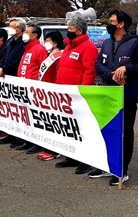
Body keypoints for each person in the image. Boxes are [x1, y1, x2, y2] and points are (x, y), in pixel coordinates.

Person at [90, 10, 138, 186]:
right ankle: (105, 165)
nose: (108, 23)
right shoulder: (107, 43)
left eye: (111, 21)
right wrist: (111, 74)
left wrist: (127, 68)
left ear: (121, 24)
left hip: (127, 96)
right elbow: (98, 65)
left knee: (124, 133)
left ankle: (122, 171)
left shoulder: (134, 44)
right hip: (107, 95)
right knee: (106, 130)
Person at [53, 15, 98, 173]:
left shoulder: (88, 48)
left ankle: (85, 160)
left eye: (70, 29)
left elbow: (89, 71)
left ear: (79, 31)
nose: (68, 31)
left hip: (78, 95)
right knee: (70, 128)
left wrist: (83, 92)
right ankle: (71, 156)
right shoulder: (69, 46)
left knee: (82, 129)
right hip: (65, 94)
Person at [0, 18, 27, 143]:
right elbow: (3, 57)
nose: (10, 28)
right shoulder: (10, 41)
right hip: (4, 76)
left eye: (12, 26)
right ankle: (8, 132)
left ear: (20, 29)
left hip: (13, 76)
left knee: (15, 108)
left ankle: (16, 135)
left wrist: (5, 68)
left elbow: (18, 60)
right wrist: (0, 66)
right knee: (6, 107)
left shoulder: (22, 43)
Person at [14, 25, 49, 153]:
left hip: (33, 89)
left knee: (34, 117)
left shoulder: (39, 49)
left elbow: (42, 70)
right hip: (24, 88)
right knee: (26, 116)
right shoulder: (27, 49)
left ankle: (37, 143)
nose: (25, 34)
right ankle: (27, 140)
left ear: (34, 35)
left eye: (27, 32)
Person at [36, 31, 65, 161]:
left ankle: (54, 150)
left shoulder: (59, 55)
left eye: (48, 40)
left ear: (55, 43)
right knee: (46, 122)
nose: (46, 43)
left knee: (53, 122)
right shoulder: (49, 55)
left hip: (52, 92)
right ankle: (48, 147)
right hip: (44, 92)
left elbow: (59, 74)